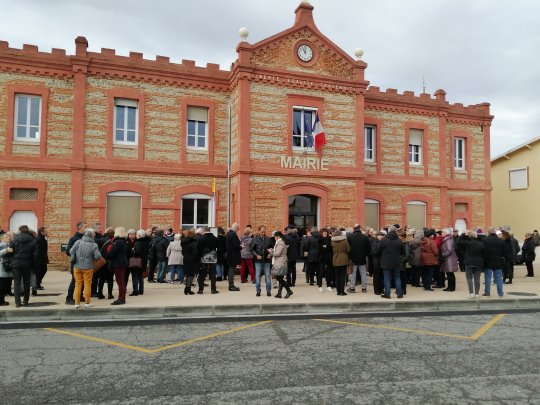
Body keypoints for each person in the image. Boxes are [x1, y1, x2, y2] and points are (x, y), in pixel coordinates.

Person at [69, 228, 102, 308]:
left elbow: (71, 251)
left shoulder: (78, 242)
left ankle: (77, 303)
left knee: (78, 284)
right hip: (88, 267)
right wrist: (93, 258)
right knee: (87, 285)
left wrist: (74, 257)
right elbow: (98, 257)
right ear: (92, 236)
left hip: (77, 266)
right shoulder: (94, 245)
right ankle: (87, 303)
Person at [11, 225, 39, 308]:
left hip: (16, 263)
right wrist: (34, 266)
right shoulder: (33, 240)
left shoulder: (15, 239)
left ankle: (17, 302)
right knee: (27, 282)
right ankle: (26, 301)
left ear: (19, 230)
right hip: (28, 264)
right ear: (27, 231)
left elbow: (11, 251)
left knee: (17, 283)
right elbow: (35, 255)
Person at [378, 225, 404, 299]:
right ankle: (399, 293)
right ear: (396, 231)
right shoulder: (399, 240)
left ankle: (387, 294)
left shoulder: (383, 240)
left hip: (385, 262)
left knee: (386, 278)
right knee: (397, 277)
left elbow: (378, 250)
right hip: (396, 262)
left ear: (388, 231)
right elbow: (402, 251)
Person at [482, 227, 510, 298]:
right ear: (495, 232)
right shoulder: (501, 241)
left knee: (487, 277)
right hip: (498, 261)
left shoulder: (485, 240)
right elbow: (505, 252)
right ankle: (500, 293)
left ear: (488, 232)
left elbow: (483, 252)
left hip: (488, 262)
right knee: (499, 278)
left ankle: (487, 292)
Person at [457, 230, 485, 298]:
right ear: (476, 236)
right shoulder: (481, 244)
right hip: (478, 262)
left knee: (469, 278)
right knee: (477, 279)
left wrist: (464, 234)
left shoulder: (468, 243)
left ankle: (471, 293)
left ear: (469, 236)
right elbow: (484, 253)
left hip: (469, 262)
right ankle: (477, 294)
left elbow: (459, 241)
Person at [105, 227, 129, 305]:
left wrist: (108, 251)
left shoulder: (118, 242)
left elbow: (111, 254)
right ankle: (122, 298)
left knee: (120, 282)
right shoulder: (124, 241)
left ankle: (121, 299)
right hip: (122, 263)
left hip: (118, 264)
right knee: (121, 281)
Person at [65, 221, 87, 305]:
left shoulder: (86, 238)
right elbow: (68, 252)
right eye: (85, 226)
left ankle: (80, 296)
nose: (86, 228)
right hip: (76, 263)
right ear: (80, 228)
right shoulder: (74, 239)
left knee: (84, 280)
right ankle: (69, 298)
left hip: (85, 263)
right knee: (74, 281)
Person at [347, 224, 371, 293]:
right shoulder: (365, 237)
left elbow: (348, 248)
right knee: (363, 273)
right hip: (362, 258)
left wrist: (349, 256)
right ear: (360, 229)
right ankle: (364, 288)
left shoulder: (350, 237)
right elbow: (368, 248)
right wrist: (365, 254)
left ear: (354, 229)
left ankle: (352, 287)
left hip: (352, 258)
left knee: (353, 273)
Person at [252, 225, 274, 297]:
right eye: (262, 232)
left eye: (264, 232)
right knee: (257, 276)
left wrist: (270, 254)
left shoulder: (268, 239)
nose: (263, 233)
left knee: (267, 276)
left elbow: (272, 248)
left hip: (267, 261)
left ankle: (268, 291)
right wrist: (256, 255)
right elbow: (252, 249)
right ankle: (258, 291)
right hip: (258, 261)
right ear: (259, 231)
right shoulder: (255, 239)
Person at [269, 231, 293, 299]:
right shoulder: (281, 242)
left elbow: (278, 253)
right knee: (280, 278)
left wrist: (271, 253)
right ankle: (279, 293)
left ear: (278, 236)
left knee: (279, 278)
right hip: (281, 262)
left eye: (275, 237)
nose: (274, 238)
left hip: (280, 263)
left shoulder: (280, 243)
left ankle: (289, 291)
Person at [197, 227, 219, 294]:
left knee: (202, 273)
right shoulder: (215, 238)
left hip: (204, 256)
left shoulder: (201, 239)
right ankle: (213, 289)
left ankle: (201, 290)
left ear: (204, 231)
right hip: (213, 256)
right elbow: (218, 247)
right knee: (212, 273)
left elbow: (198, 249)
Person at [331, 228, 351, 296]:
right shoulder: (344, 241)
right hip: (344, 259)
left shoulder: (332, 241)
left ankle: (338, 291)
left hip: (335, 259)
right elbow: (348, 249)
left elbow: (331, 251)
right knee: (343, 276)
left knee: (337, 276)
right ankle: (342, 291)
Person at [97, 227, 115, 300]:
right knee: (110, 279)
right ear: (113, 235)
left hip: (102, 262)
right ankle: (110, 294)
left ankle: (100, 294)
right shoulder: (113, 242)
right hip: (109, 262)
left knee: (101, 279)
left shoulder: (101, 240)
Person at [132, 229, 150, 295]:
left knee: (135, 275)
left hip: (137, 260)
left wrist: (133, 252)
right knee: (140, 276)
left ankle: (135, 291)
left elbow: (138, 252)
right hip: (144, 260)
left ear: (139, 235)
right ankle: (141, 290)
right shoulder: (146, 242)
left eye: (136, 234)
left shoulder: (138, 242)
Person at [181, 229, 198, 295]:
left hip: (186, 259)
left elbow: (182, 252)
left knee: (188, 274)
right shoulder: (193, 242)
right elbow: (195, 253)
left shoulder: (184, 242)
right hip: (192, 260)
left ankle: (187, 288)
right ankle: (188, 289)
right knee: (191, 274)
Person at [225, 223, 241, 291]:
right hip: (233, 255)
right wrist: (240, 247)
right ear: (235, 228)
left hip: (230, 255)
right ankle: (231, 286)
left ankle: (231, 285)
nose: (238, 230)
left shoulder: (229, 233)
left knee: (231, 270)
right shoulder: (233, 234)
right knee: (231, 271)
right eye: (238, 228)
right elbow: (235, 245)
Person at [0, 233, 14, 306]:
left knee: (5, 286)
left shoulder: (8, 244)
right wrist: (6, 250)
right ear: (2, 239)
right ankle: (1, 301)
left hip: (6, 269)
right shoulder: (2, 245)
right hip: (3, 269)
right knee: (2, 286)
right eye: (6, 236)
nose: (9, 237)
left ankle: (2, 300)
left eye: (9, 236)